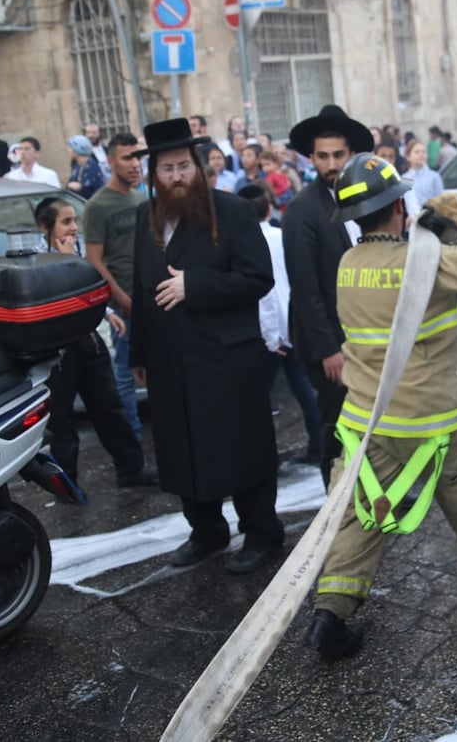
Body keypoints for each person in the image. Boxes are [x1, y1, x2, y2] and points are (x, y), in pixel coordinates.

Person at [303, 156, 457, 659]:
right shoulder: (427, 263)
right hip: (435, 420)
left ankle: (330, 614)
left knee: (360, 519)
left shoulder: (348, 264)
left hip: (368, 421)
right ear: (400, 205)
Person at [129, 118, 283, 575]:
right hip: (169, 361)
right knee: (183, 449)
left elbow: (258, 278)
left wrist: (194, 285)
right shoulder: (144, 217)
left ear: (198, 167)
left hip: (227, 359)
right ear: (154, 175)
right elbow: (141, 289)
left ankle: (262, 534)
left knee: (242, 447)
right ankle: (207, 530)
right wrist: (138, 352)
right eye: (166, 169)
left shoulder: (232, 212)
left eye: (183, 166)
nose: (176, 177)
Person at [34, 198, 158, 491]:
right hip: (58, 351)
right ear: (45, 226)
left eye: (74, 220)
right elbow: (55, 298)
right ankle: (67, 484)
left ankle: (131, 468)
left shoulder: (75, 251)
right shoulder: (38, 259)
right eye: (66, 222)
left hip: (88, 342)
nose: (73, 227)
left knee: (109, 407)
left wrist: (107, 312)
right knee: (62, 422)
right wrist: (66, 263)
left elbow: (88, 289)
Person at [282, 104, 374, 488]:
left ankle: (374, 494)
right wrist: (328, 350)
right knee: (336, 427)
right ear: (311, 158)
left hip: (366, 337)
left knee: (370, 422)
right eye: (323, 156)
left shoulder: (367, 197)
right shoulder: (301, 211)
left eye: (338, 154)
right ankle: (337, 504)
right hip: (329, 344)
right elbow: (305, 289)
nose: (331, 163)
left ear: (351, 154)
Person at [239, 182, 321, 464]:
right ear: (269, 208)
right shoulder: (282, 235)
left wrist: (271, 337)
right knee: (302, 386)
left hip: (270, 332)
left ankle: (265, 456)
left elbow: (267, 296)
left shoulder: (249, 243)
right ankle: (318, 443)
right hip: (291, 324)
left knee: (258, 396)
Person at [83, 132, 145, 440]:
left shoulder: (141, 197)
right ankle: (131, 439)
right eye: (127, 158)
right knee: (124, 374)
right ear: (110, 162)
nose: (135, 164)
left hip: (152, 299)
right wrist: (120, 298)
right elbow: (94, 259)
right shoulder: (98, 206)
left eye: (138, 157)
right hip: (126, 303)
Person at [402, 140, 444, 207]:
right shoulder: (404, 179)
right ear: (408, 157)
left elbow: (441, 200)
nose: (421, 155)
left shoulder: (434, 176)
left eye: (424, 152)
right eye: (417, 152)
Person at [67, 134, 106, 199]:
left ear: (76, 150)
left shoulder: (92, 165)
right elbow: (69, 185)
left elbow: (88, 189)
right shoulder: (76, 166)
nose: (68, 150)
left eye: (70, 148)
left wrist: (78, 187)